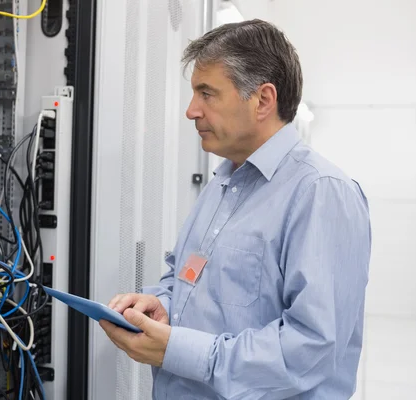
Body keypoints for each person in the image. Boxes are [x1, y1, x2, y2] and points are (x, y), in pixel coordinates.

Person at [100, 19, 371, 400]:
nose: (191, 111)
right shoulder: (223, 183)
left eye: (207, 94)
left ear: (263, 100)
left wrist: (177, 350)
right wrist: (160, 303)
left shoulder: (321, 194)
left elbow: (311, 349)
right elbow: (189, 279)